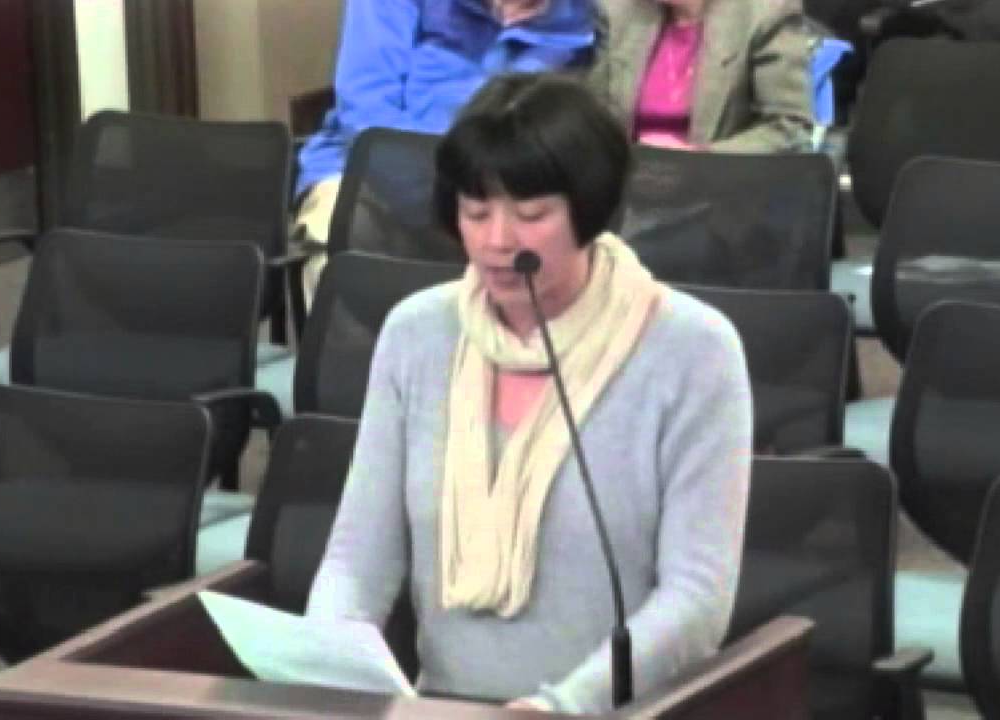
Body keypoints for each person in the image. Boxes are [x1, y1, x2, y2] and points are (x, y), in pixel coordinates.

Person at [305, 73, 752, 714]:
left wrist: (560, 708)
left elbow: (698, 598)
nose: (496, 241)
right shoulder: (417, 334)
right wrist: (330, 667)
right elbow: (355, 563)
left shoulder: (691, 350)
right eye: (475, 211)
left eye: (531, 213)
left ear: (589, 210)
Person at [293, 0, 602, 304]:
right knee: (336, 228)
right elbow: (366, 110)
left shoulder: (583, 17)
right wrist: (452, 200)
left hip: (501, 186)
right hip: (370, 173)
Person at [587, 0, 817, 151]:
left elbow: (789, 127)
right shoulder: (618, 11)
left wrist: (699, 157)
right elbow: (594, 115)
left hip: (722, 192)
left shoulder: (765, 13)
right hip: (626, 188)